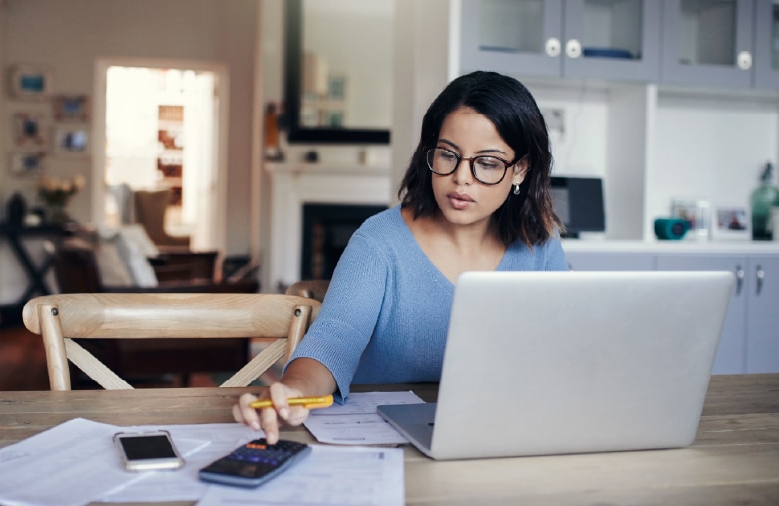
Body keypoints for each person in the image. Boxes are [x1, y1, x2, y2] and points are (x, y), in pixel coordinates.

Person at [234, 70, 569, 443]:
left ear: (520, 169)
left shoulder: (540, 243)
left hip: (499, 436)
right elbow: (333, 341)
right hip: (384, 443)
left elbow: (564, 351)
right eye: (448, 155)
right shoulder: (378, 242)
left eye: (487, 163)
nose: (461, 178)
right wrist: (294, 391)